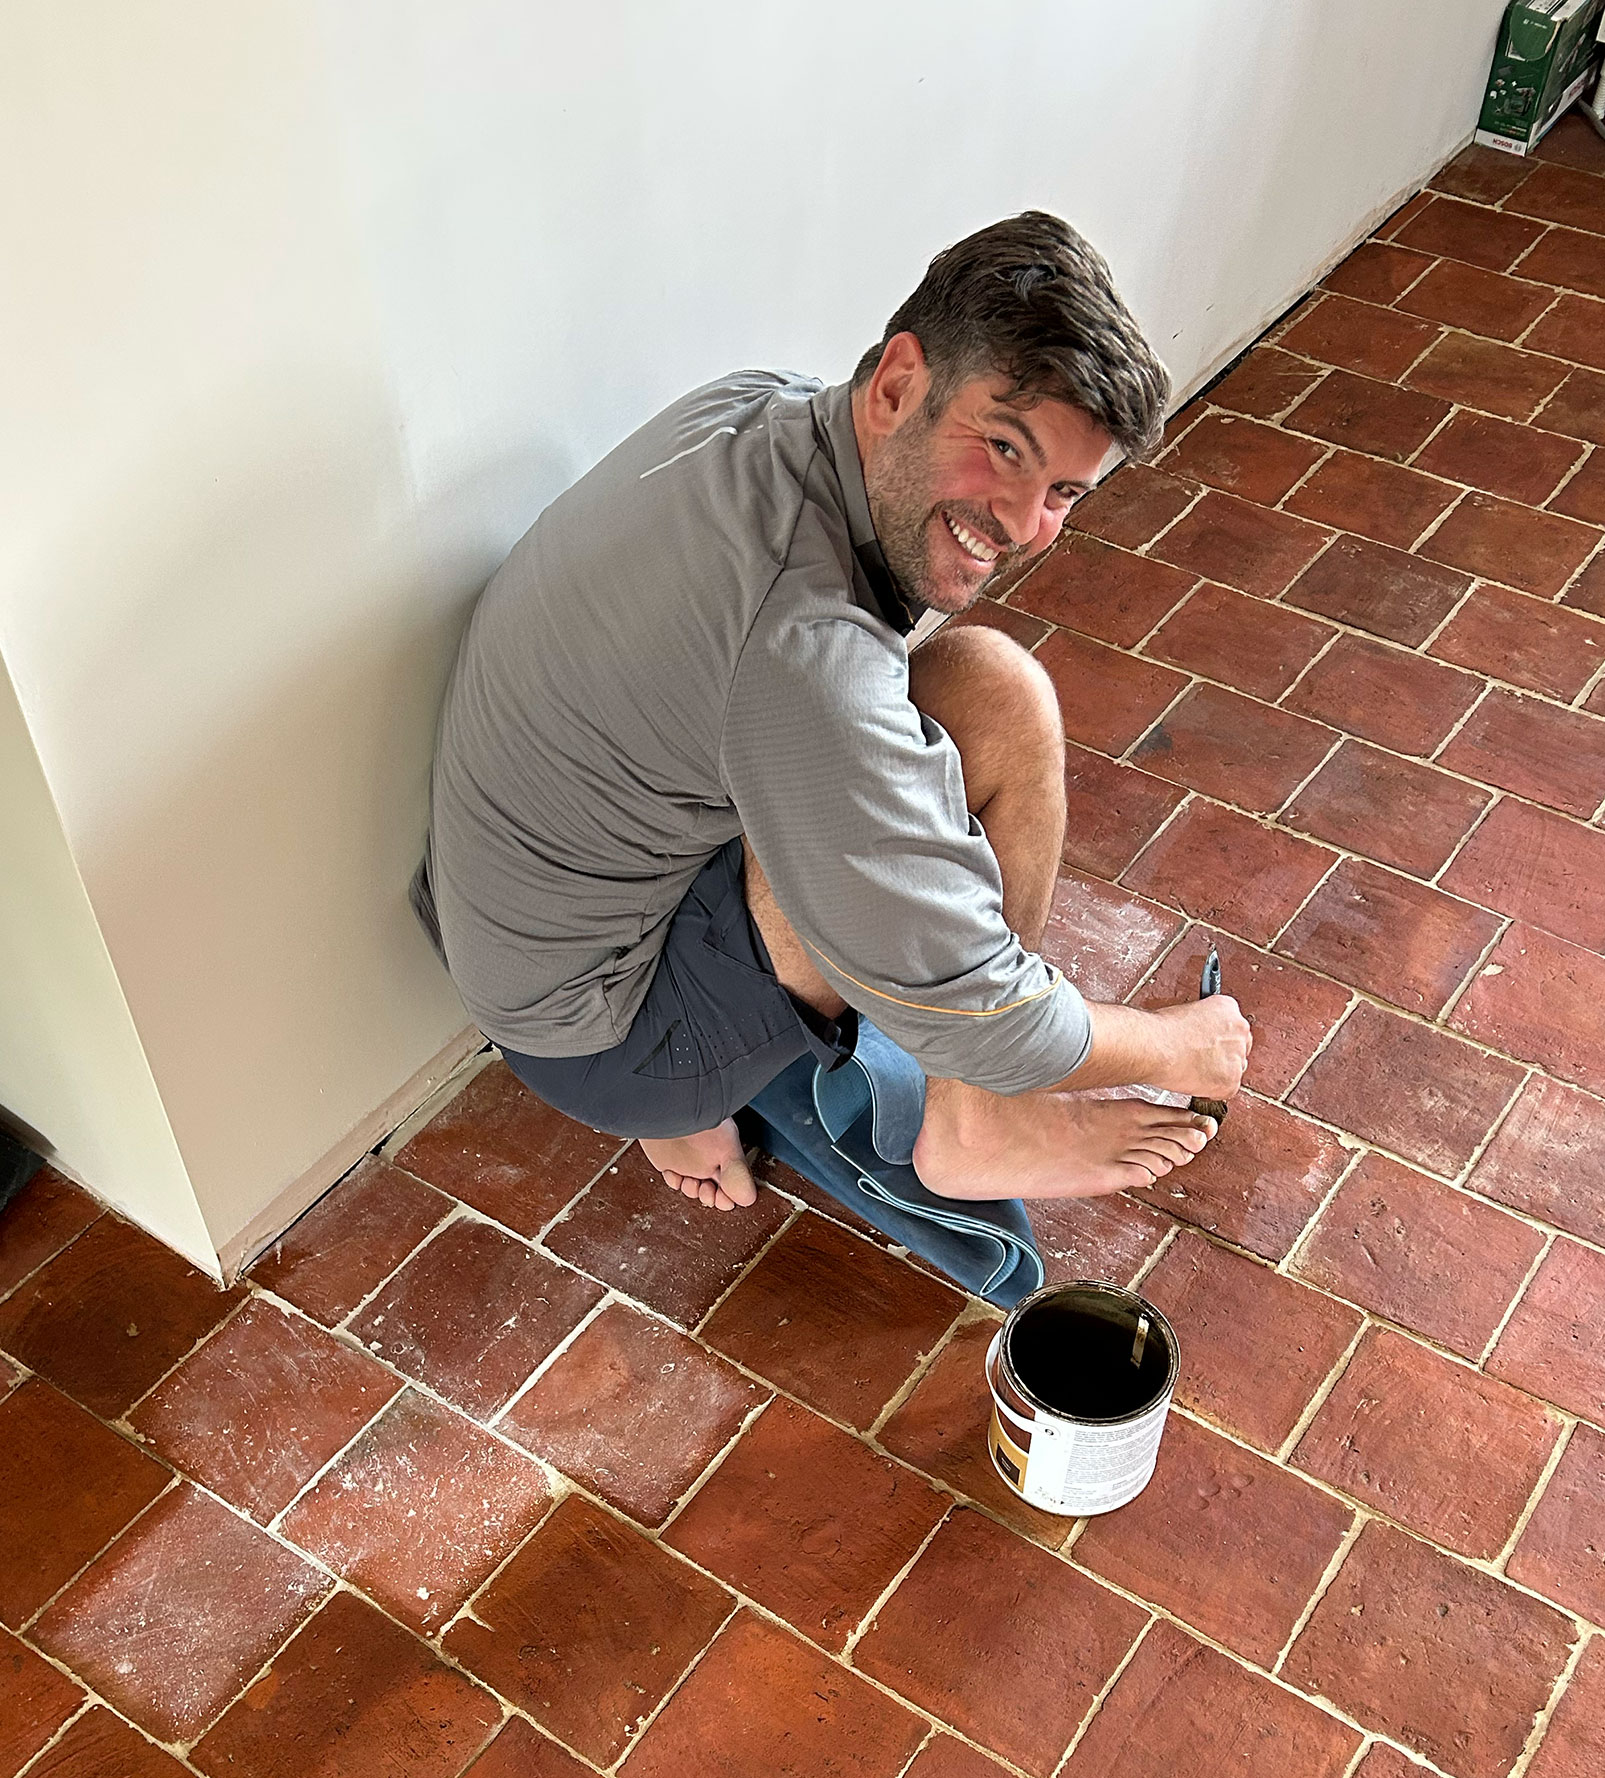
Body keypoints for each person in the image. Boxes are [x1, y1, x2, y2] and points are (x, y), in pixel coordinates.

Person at [413, 210, 1250, 1215]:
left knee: (978, 684)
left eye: (1063, 492)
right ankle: (967, 1123)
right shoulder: (799, 651)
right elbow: (980, 1016)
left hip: (523, 920)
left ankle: (694, 1093)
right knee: (966, 759)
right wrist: (1176, 1042)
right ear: (897, 384)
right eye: (1001, 448)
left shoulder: (756, 410)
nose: (1024, 526)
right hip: (599, 1029)